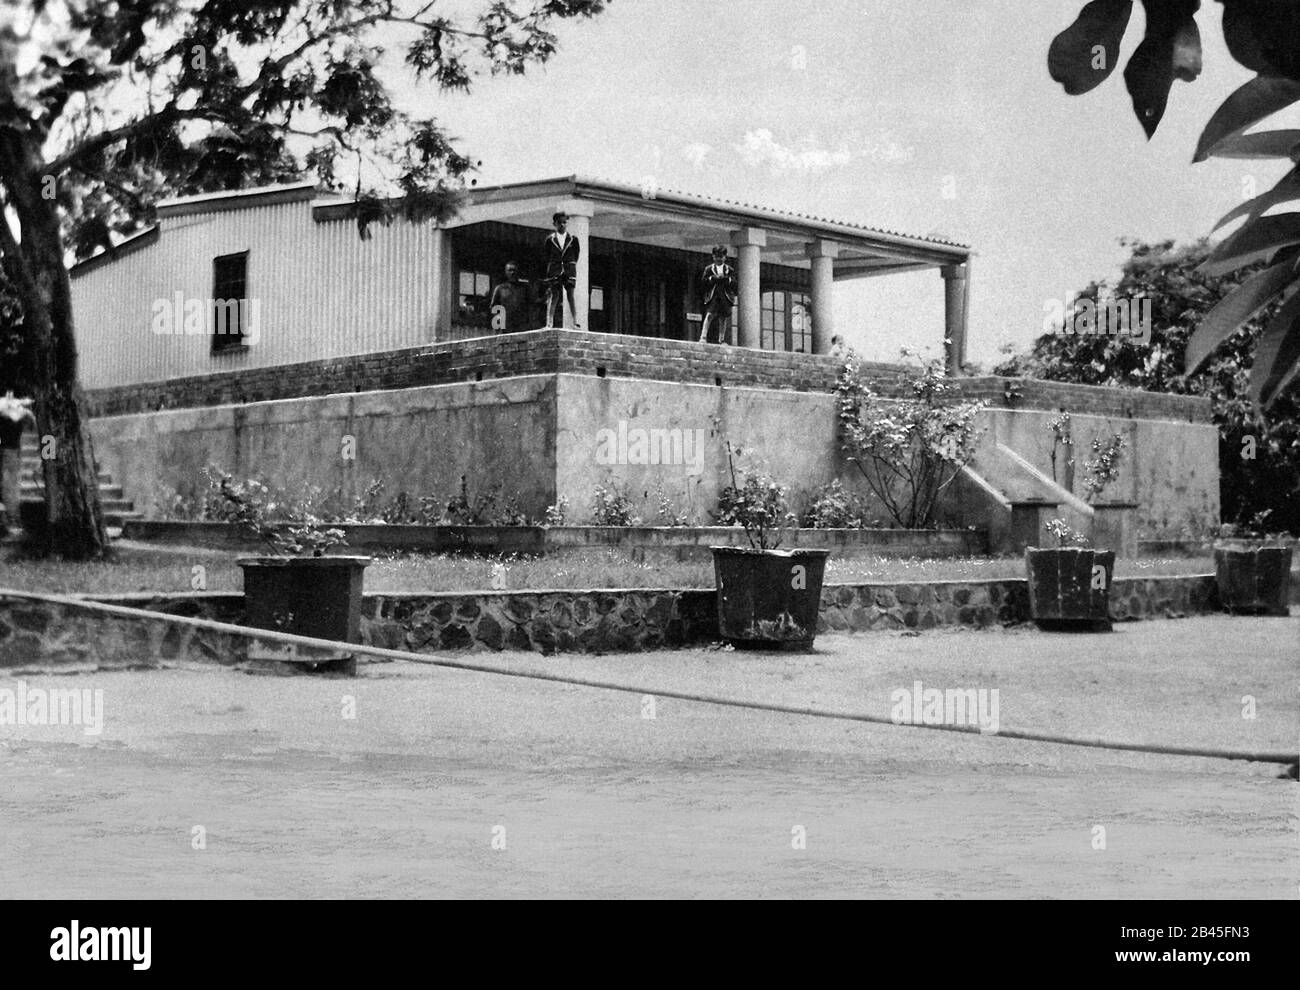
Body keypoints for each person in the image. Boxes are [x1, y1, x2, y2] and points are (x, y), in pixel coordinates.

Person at [542, 212, 581, 330]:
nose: (562, 225)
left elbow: (576, 255)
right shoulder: (550, 239)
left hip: (568, 270)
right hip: (555, 270)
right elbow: (547, 255)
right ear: (554, 224)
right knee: (555, 295)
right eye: (559, 223)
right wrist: (554, 266)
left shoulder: (573, 239)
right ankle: (549, 323)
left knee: (570, 295)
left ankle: (575, 322)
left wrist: (570, 265)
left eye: (564, 222)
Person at [699, 246, 737, 344]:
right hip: (714, 294)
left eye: (721, 257)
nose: (718, 259)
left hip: (724, 295)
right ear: (713, 257)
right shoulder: (709, 269)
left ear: (725, 257)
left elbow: (734, 283)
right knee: (710, 314)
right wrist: (712, 279)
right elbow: (703, 282)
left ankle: (722, 339)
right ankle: (703, 337)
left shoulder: (729, 269)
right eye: (716, 257)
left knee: (723, 317)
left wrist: (727, 279)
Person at [488, 261, 531, 333]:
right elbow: (493, 307)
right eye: (510, 270)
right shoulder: (500, 288)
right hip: (505, 326)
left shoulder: (525, 288)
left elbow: (531, 304)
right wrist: (498, 322)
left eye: (514, 270)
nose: (512, 273)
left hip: (521, 326)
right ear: (505, 272)